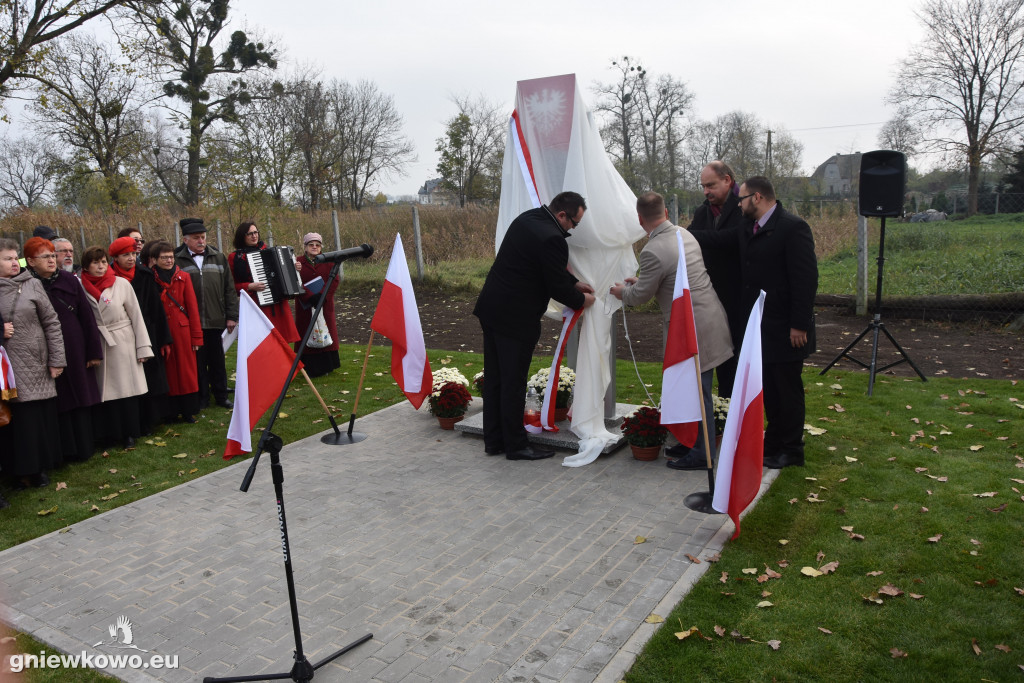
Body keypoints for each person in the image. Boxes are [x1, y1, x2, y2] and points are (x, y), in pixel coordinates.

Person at [694, 177, 818, 469]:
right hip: (760, 327)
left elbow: (805, 280)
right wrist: (681, 235)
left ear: (758, 197)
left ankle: (792, 448)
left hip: (787, 328)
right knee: (770, 390)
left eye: (742, 198)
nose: (739, 204)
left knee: (787, 389)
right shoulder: (748, 228)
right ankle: (774, 443)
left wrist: (799, 324)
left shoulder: (792, 228)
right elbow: (720, 241)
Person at [610, 192, 733, 470]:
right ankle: (694, 443)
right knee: (693, 389)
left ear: (640, 219)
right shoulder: (684, 234)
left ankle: (703, 455)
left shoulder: (653, 250)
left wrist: (622, 292)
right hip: (710, 316)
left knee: (698, 392)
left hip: (691, 326)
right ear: (666, 212)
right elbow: (671, 276)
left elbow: (640, 296)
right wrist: (642, 281)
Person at [473, 191, 596, 461]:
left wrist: (573, 282)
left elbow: (541, 265)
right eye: (573, 224)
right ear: (562, 215)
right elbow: (554, 284)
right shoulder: (552, 238)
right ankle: (516, 446)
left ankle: (494, 440)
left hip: (491, 307)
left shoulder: (529, 218)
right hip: (515, 317)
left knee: (495, 378)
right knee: (513, 382)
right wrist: (581, 299)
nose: (572, 229)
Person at [24, 237, 103, 462]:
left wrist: (93, 352)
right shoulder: (29, 284)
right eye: (46, 256)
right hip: (45, 349)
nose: (52, 260)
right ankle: (65, 450)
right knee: (60, 400)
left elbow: (87, 317)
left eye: (52, 255)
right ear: (30, 261)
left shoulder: (69, 280)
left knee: (81, 397)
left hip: (75, 346)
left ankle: (85, 447)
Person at [0, 238, 66, 488]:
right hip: (6, 366)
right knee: (12, 419)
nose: (14, 263)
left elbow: (51, 322)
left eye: (15, 257)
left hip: (35, 362)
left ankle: (38, 469)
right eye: (7, 258)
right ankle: (16, 471)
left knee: (35, 419)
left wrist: (56, 359)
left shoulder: (32, 285)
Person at [687, 161, 750, 400]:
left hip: (736, 296)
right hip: (708, 296)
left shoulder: (743, 207)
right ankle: (712, 415)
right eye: (703, 186)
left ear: (727, 180)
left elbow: (731, 239)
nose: (706, 191)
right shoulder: (703, 211)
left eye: (710, 185)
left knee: (731, 360)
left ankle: (729, 410)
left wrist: (688, 234)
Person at [81, 245, 154, 449]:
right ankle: (110, 433)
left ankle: (130, 433)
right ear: (86, 266)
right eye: (95, 263)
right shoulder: (81, 286)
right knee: (107, 394)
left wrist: (143, 348)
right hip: (99, 342)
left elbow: (136, 316)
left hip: (122, 342)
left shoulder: (121, 284)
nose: (101, 266)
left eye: (103, 262)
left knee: (126, 391)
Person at [110, 236, 172, 435]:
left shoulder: (144, 275)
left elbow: (156, 309)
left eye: (133, 254)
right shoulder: (110, 277)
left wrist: (163, 339)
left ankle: (149, 420)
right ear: (116, 257)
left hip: (147, 332)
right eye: (125, 255)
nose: (130, 258)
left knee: (150, 377)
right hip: (121, 334)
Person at [174, 218, 238, 410]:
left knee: (217, 360)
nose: (201, 241)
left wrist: (231, 315)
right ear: (185, 240)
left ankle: (221, 395)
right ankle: (201, 397)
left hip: (216, 318)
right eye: (196, 238)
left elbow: (229, 288)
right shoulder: (177, 260)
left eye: (203, 237)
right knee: (198, 363)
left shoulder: (218, 257)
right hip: (192, 322)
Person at [151, 241, 203, 423]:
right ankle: (171, 411)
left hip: (183, 331)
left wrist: (196, 337)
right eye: (164, 257)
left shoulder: (184, 277)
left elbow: (192, 308)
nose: (168, 261)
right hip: (163, 330)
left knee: (186, 372)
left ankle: (189, 410)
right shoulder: (151, 279)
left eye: (171, 257)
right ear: (155, 260)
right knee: (169, 372)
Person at [227, 221, 299, 343]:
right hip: (255, 306)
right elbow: (230, 287)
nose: (254, 236)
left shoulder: (270, 251)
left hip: (278, 306)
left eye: (256, 232)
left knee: (281, 345)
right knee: (261, 344)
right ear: (242, 236)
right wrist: (248, 286)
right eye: (249, 234)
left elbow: (284, 273)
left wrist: (294, 268)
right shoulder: (234, 257)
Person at [294, 232, 341, 377]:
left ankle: (328, 366)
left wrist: (322, 295)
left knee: (325, 331)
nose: (314, 247)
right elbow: (296, 282)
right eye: (311, 245)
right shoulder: (297, 262)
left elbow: (334, 280)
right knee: (307, 332)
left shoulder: (329, 261)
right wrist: (309, 296)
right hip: (306, 306)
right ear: (305, 246)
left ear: (321, 247)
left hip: (324, 304)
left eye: (317, 245)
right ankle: (310, 367)